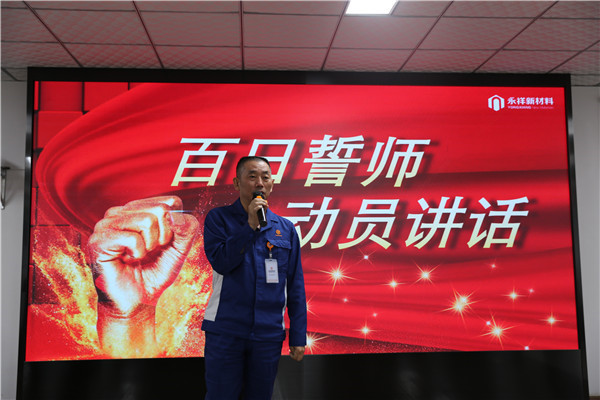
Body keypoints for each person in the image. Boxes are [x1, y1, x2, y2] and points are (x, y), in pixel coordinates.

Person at [201, 156, 307, 400]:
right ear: (237, 183)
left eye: (265, 177)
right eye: (252, 177)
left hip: (268, 334)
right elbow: (222, 263)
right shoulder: (218, 219)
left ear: (272, 184)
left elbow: (295, 285)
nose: (260, 183)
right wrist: (249, 225)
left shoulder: (285, 228)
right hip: (226, 330)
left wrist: (298, 335)